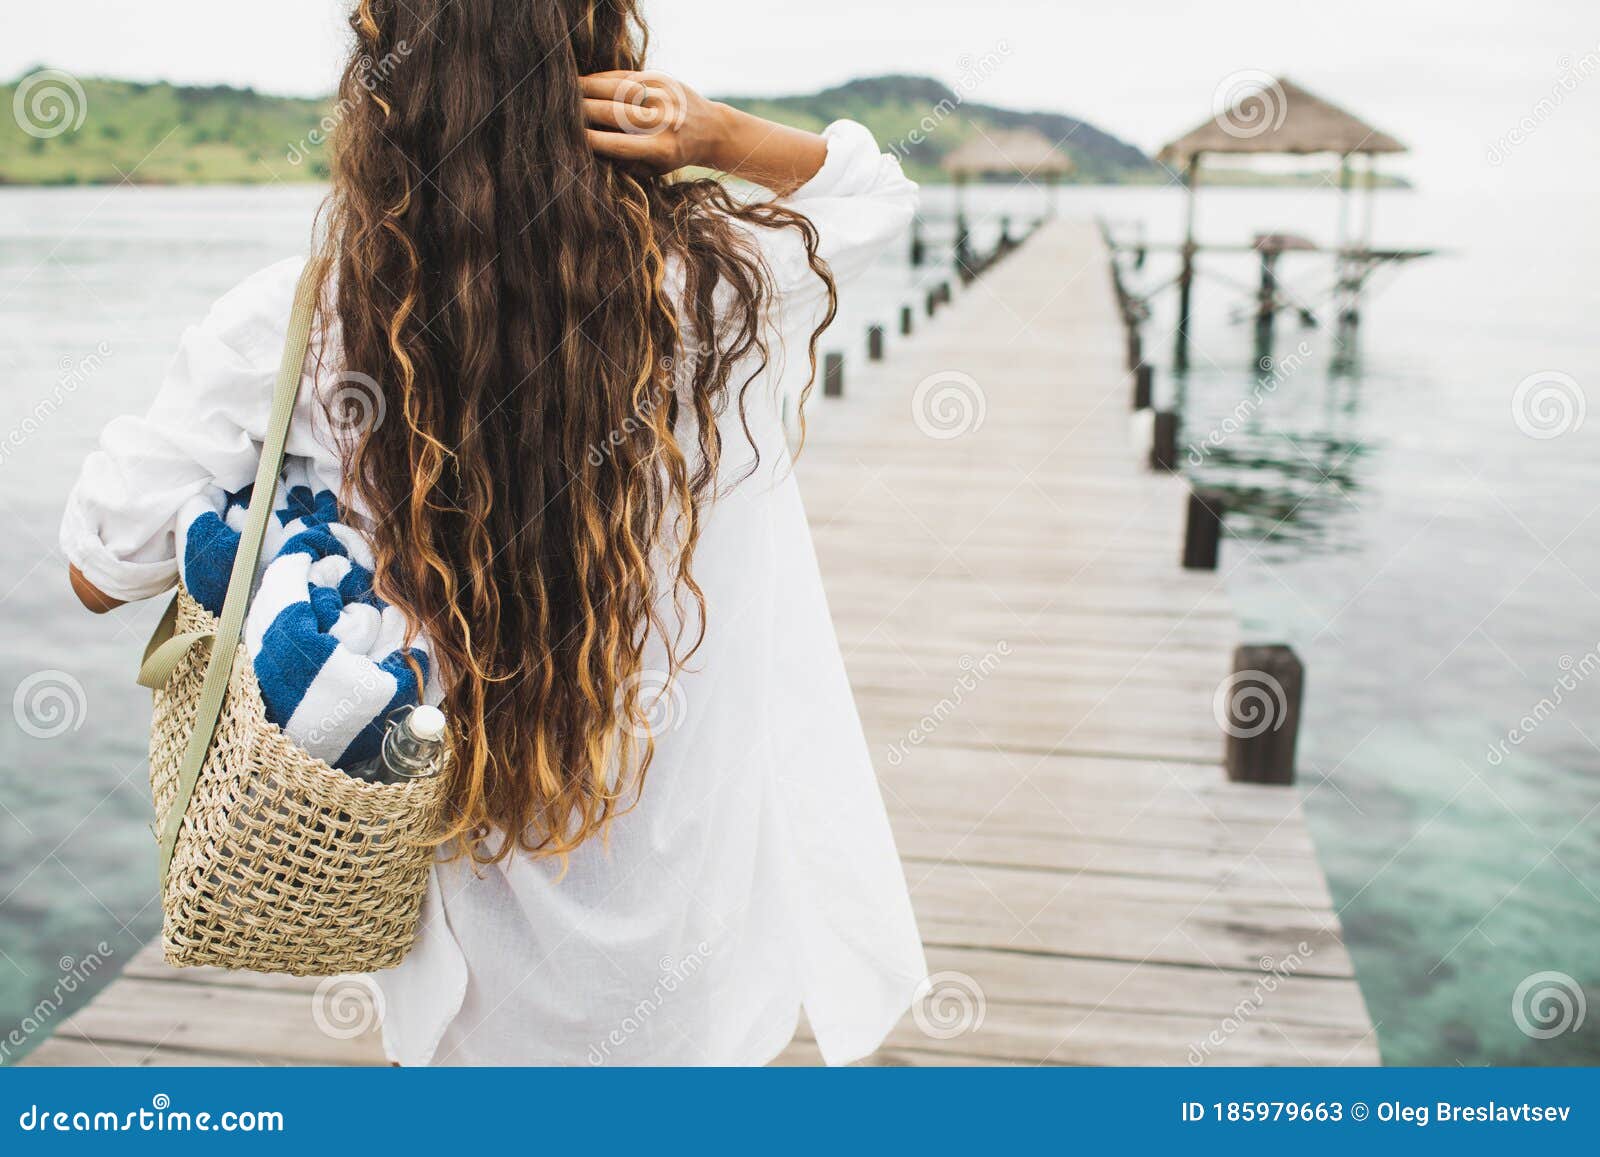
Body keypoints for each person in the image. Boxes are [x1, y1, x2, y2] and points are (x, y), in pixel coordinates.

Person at [61, 0, 924, 1066]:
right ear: (596, 77)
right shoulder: (711, 288)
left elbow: (100, 565)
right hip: (691, 928)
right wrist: (708, 134)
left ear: (384, 98)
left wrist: (257, 462)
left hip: (463, 964)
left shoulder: (301, 321)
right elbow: (875, 193)